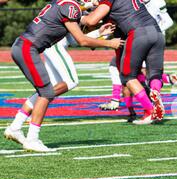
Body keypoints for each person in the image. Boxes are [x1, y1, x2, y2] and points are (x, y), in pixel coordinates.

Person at [4, 0, 122, 152]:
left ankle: (16, 128)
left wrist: (99, 32)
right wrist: (110, 43)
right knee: (47, 91)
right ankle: (32, 138)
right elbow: (82, 40)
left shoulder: (64, 5)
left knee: (45, 90)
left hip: (25, 47)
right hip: (28, 48)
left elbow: (76, 35)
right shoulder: (69, 7)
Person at [82, 0, 166, 125]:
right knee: (155, 74)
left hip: (138, 33)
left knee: (127, 76)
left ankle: (150, 111)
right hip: (157, 33)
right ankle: (155, 92)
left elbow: (91, 21)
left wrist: (80, 17)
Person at [99, 0, 177, 113]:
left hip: (139, 37)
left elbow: (168, 21)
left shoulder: (155, 2)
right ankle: (161, 86)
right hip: (153, 36)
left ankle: (132, 107)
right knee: (150, 73)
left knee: (128, 75)